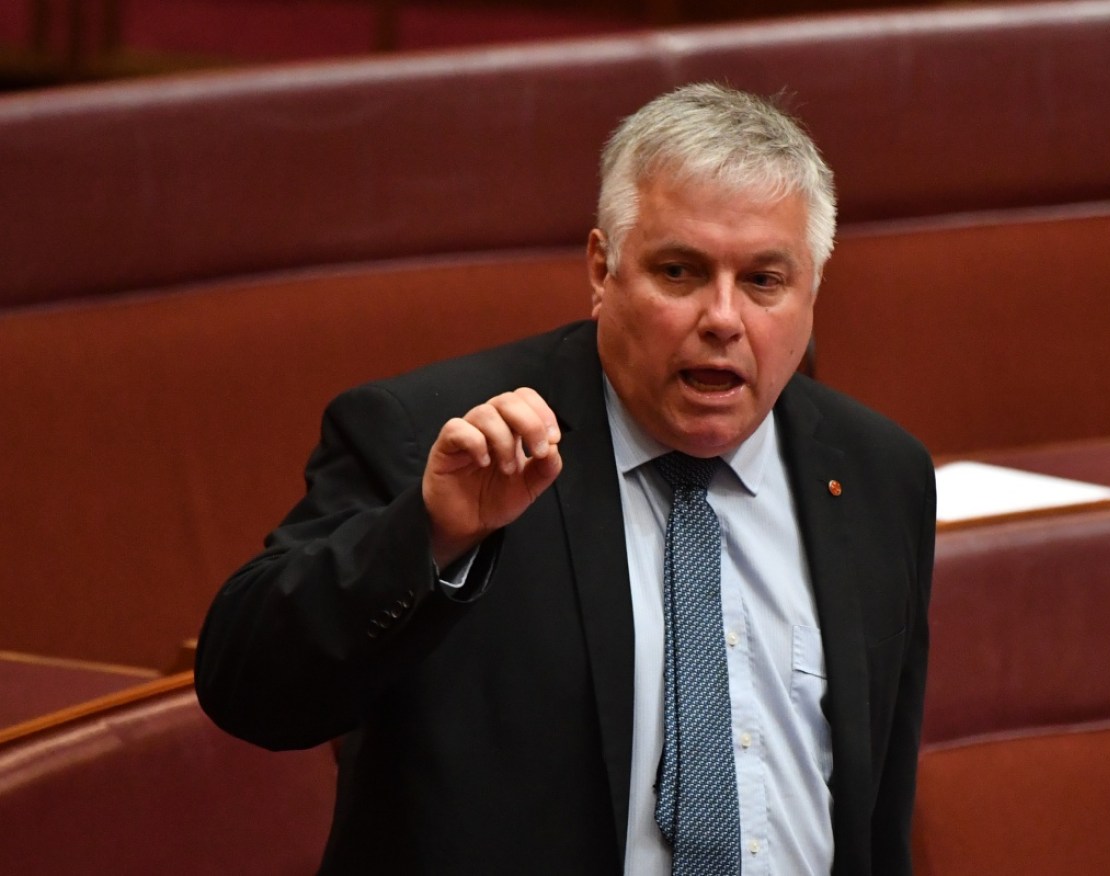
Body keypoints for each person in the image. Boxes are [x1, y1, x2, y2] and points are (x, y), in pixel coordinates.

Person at [195, 83, 936, 875]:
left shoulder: (875, 473)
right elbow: (250, 690)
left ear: (812, 289)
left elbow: (874, 804)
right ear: (601, 268)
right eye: (679, 272)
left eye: (763, 281)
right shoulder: (440, 442)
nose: (723, 318)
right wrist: (430, 534)